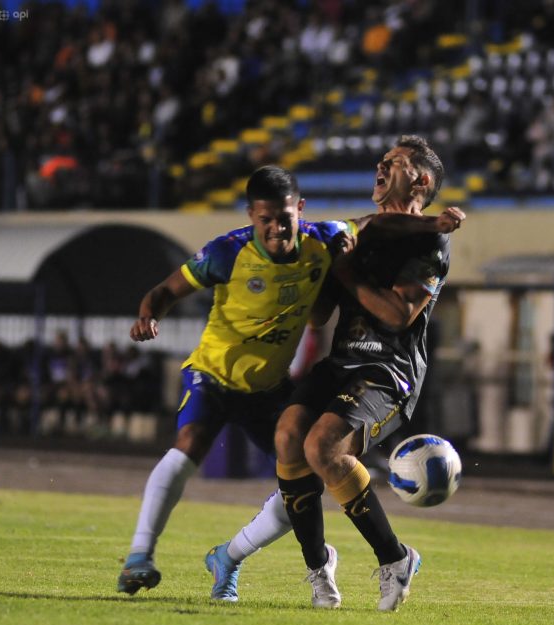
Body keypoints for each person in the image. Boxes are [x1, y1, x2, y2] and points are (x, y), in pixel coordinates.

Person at [116, 164, 462, 596]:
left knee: (303, 477)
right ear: (251, 217)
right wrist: (149, 316)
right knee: (188, 450)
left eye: (285, 218)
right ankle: (139, 558)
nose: (277, 229)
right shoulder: (226, 252)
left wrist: (434, 223)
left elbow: (377, 223)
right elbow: (165, 290)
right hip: (214, 375)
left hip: (269, 389)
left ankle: (232, 558)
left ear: (301, 210)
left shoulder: (323, 240)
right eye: (265, 220)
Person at [210, 136, 456, 612]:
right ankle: (319, 571)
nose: (380, 168)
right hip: (342, 362)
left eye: (394, 164)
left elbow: (398, 312)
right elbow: (319, 316)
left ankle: (396, 558)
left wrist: (343, 271)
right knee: (288, 437)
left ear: (421, 180)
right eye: (380, 162)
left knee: (322, 446)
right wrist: (320, 272)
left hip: (389, 373)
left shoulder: (432, 242)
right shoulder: (361, 232)